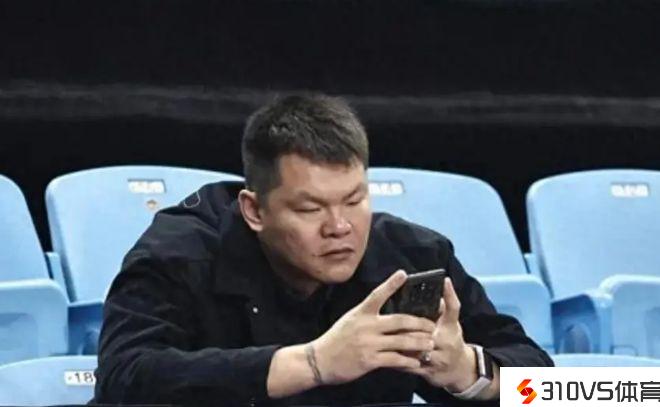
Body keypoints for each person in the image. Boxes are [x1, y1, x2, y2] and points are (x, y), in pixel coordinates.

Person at [94, 94, 552, 407]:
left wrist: (470, 371)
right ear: (254, 210)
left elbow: (553, 388)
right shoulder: (180, 253)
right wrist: (313, 364)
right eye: (310, 209)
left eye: (355, 201)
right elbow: (125, 378)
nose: (340, 227)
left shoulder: (412, 256)